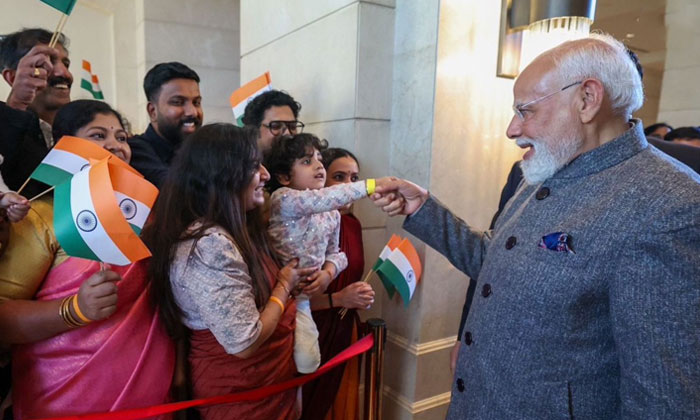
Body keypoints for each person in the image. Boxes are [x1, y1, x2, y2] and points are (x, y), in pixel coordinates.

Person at [373, 33, 700, 419]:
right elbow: (497, 259)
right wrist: (424, 208)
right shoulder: (545, 170)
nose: (512, 129)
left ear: (587, 99)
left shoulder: (670, 205)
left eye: (525, 111)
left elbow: (662, 400)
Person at [0, 99, 174, 419]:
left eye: (121, 137)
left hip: (152, 399)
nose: (115, 145)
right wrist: (75, 309)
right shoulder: (43, 218)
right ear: (66, 150)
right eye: (98, 135)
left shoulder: (149, 218)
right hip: (61, 402)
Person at [144, 123, 316, 419]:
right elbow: (244, 342)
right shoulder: (209, 245)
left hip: (271, 383)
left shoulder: (238, 227)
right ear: (221, 175)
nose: (265, 175)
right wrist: (283, 286)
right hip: (241, 395)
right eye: (254, 166)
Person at [264, 134, 388, 375]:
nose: (319, 165)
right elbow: (318, 200)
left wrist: (327, 274)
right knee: (275, 359)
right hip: (273, 292)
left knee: (308, 362)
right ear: (284, 177)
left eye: (319, 159)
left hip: (304, 298)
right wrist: (372, 186)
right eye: (307, 161)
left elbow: (337, 254)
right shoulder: (283, 199)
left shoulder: (332, 214)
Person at [301, 147, 375, 420]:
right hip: (311, 332)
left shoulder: (353, 224)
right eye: (339, 177)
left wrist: (359, 295)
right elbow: (291, 297)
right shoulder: (304, 225)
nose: (348, 186)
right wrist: (338, 298)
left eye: (354, 178)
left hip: (345, 331)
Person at [0, 28, 73, 197]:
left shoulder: (81, 131)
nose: (64, 73)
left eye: (66, 64)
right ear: (12, 77)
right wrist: (17, 103)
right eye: (45, 63)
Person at [128, 62, 203, 187]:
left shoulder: (203, 152)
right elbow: (176, 190)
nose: (192, 112)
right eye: (178, 102)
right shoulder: (135, 151)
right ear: (152, 111)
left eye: (196, 103)